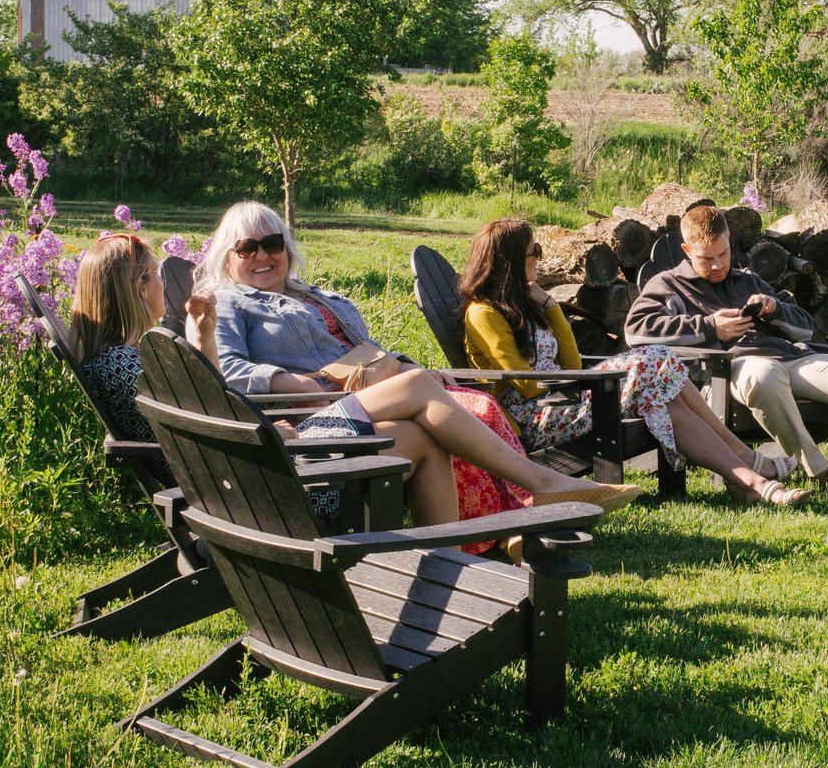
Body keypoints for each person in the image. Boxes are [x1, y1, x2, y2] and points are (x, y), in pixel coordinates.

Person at [196, 200, 639, 525]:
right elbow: (225, 371)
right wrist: (299, 385)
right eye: (247, 247)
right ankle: (540, 485)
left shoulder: (315, 297)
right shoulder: (229, 302)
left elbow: (367, 350)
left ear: (287, 248)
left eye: (272, 243)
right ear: (226, 257)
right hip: (308, 422)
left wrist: (404, 366)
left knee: (434, 428)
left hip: (361, 408)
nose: (262, 256)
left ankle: (459, 551)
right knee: (424, 388)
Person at [458, 217, 808, 506]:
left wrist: (551, 309)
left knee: (663, 397)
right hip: (537, 417)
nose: (539, 256)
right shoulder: (484, 313)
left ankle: (749, 482)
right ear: (510, 261)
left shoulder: (526, 305)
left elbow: (572, 362)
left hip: (568, 399)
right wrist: (579, 380)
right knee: (655, 358)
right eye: (534, 251)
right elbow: (526, 384)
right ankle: (747, 464)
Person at [626, 203, 828, 495]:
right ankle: (821, 473)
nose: (717, 265)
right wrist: (711, 327)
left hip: (792, 358)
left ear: (729, 242)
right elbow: (636, 330)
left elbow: (805, 326)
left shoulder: (748, 279)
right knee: (764, 374)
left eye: (723, 254)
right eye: (706, 258)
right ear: (686, 250)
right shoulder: (667, 284)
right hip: (730, 369)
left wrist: (775, 308)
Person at [71, 230, 190, 441]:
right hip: (202, 469)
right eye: (157, 273)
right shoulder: (125, 364)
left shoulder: (113, 357)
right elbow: (201, 415)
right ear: (141, 288)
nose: (163, 283)